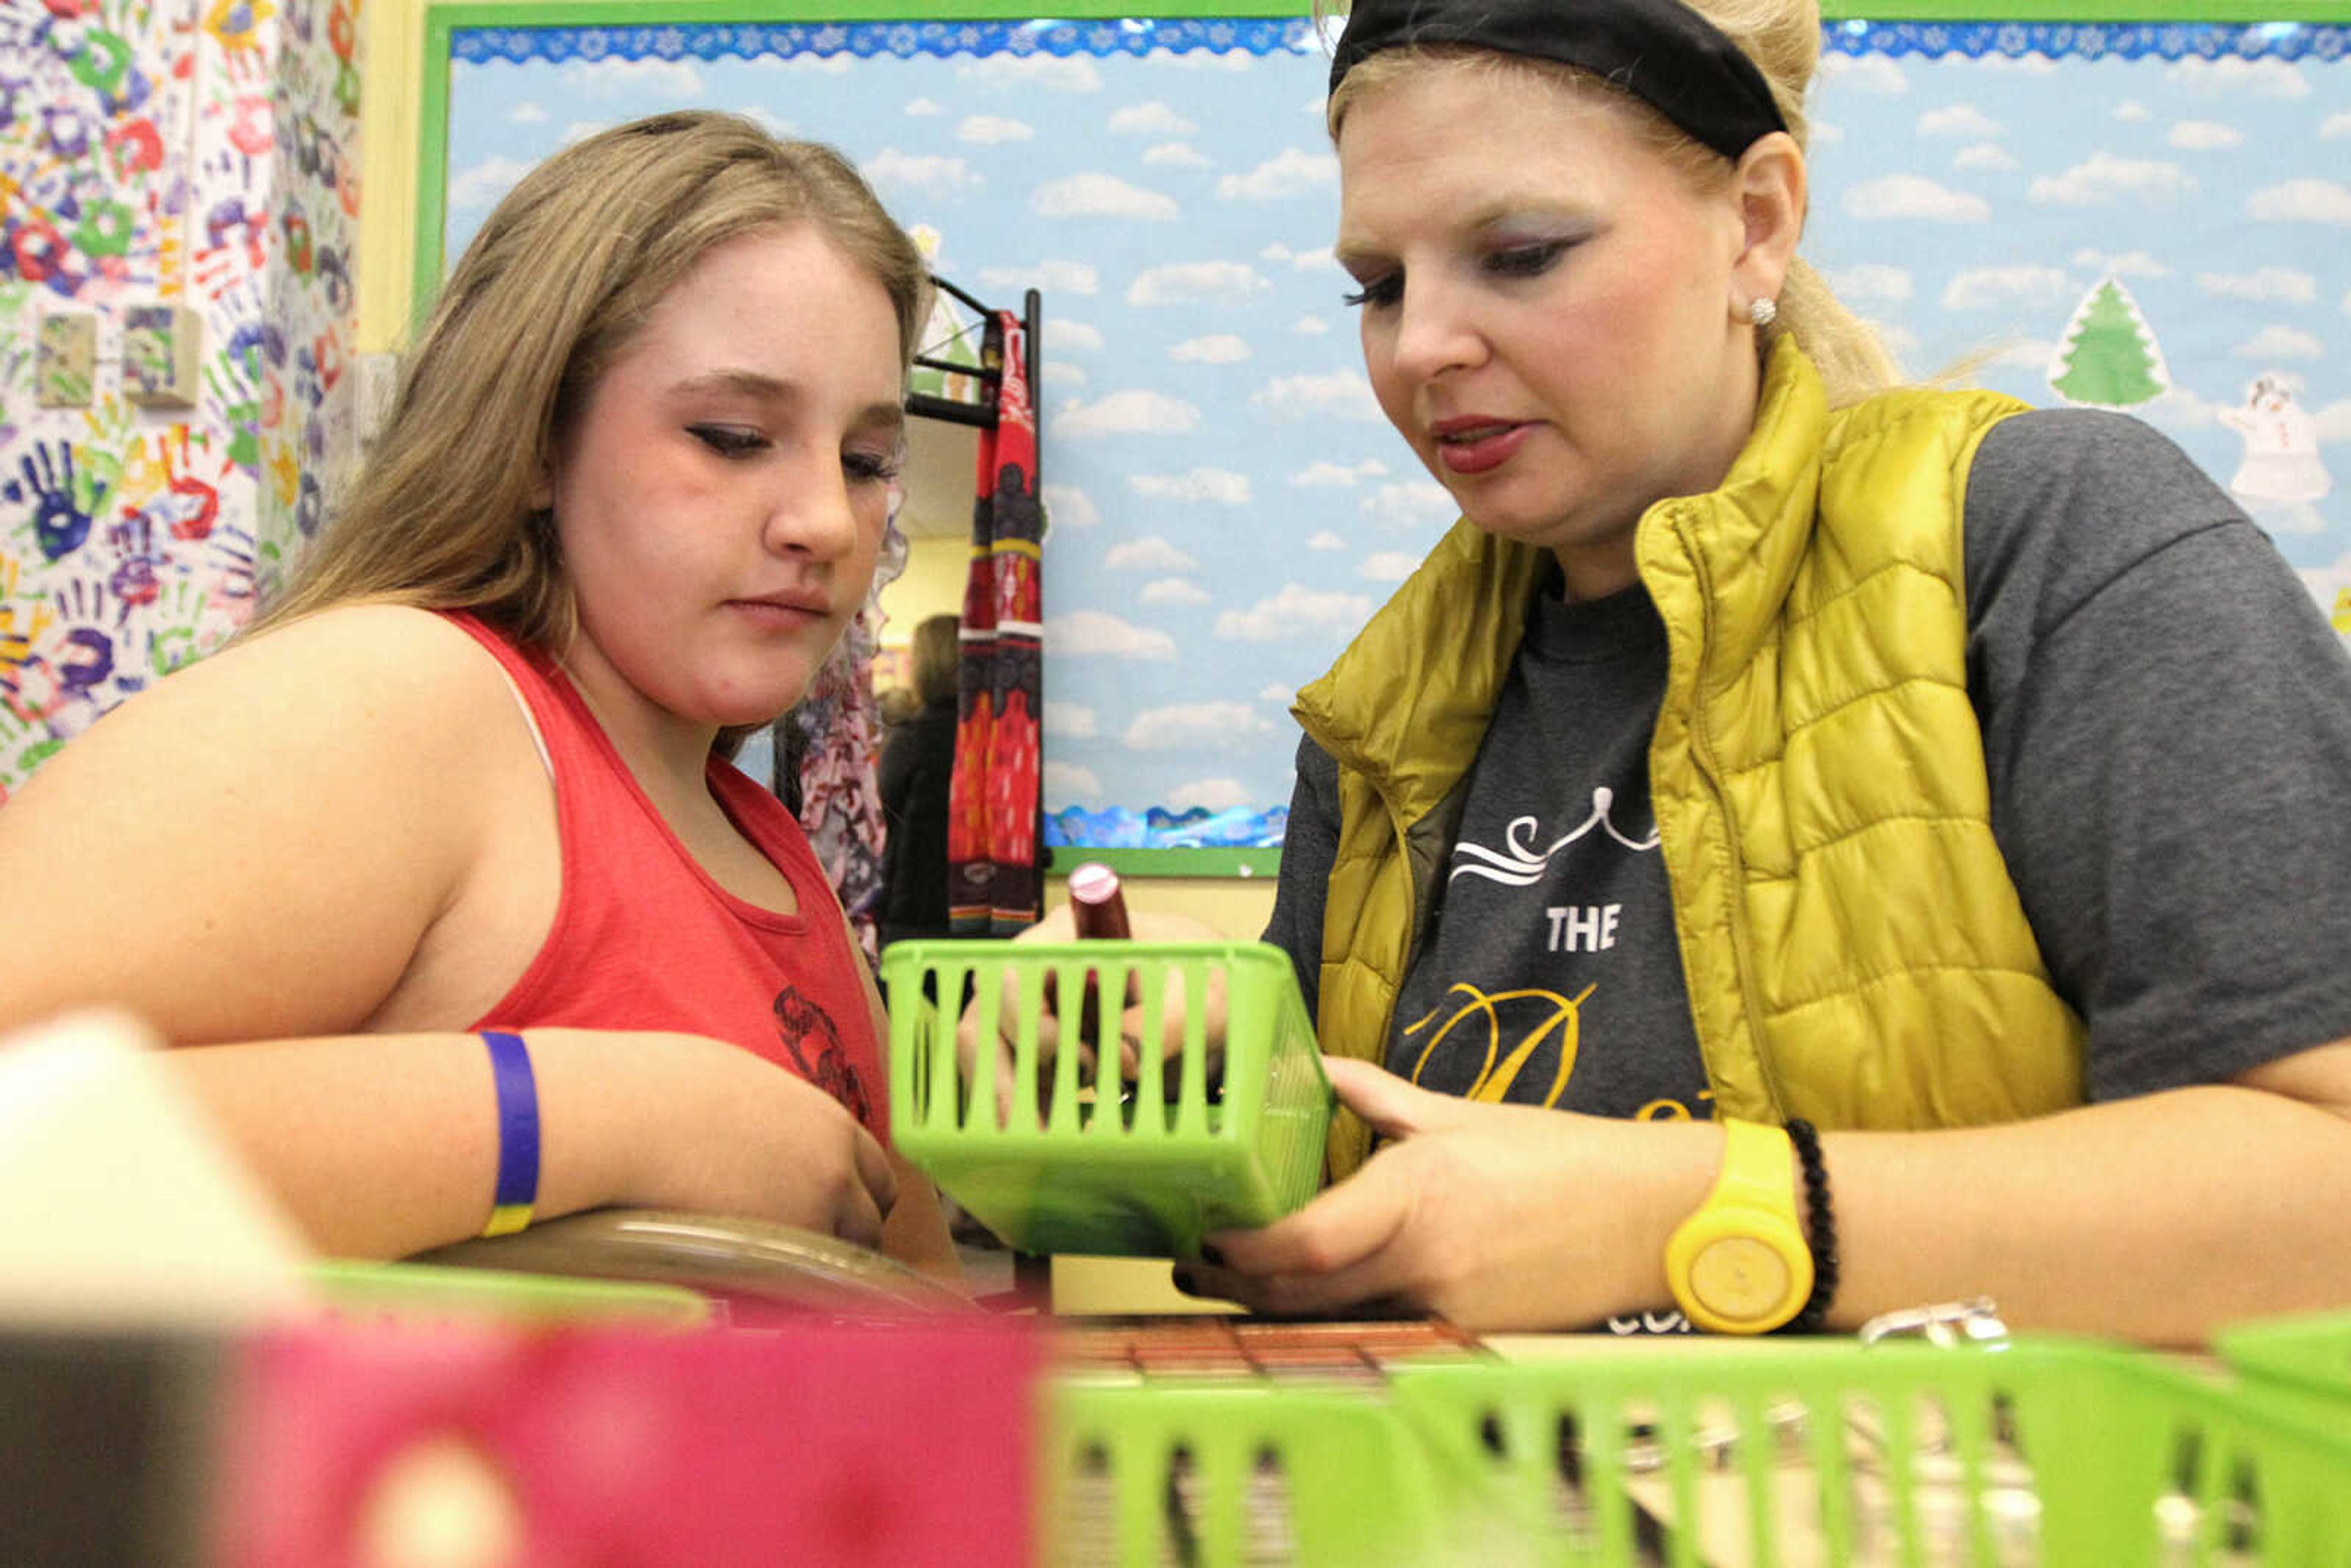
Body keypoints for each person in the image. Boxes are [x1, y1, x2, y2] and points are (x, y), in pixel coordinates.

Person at [1054, 0, 2351, 1345]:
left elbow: (2323, 1192)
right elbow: (1351, 1200)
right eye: (1377, 285)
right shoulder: (1381, 710)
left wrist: (1674, 1215)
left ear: (1758, 221)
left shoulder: (2047, 534)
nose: (1421, 344)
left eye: (1522, 253)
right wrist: (1133, 1083)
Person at [0, 111, 959, 1277]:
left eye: (865, 463)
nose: (824, 520)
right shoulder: (412, 700)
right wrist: (596, 1116)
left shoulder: (767, 845)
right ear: (537, 439)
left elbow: (915, 1313)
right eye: (732, 436)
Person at [876, 613, 960, 950]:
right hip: (989, 909)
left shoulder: (912, 739)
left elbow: (882, 811)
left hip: (915, 908)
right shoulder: (1002, 740)